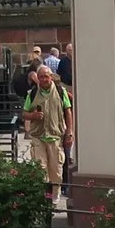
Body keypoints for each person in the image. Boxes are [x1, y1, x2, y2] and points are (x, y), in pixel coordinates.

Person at [23, 62, 71, 213]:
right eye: (41, 77)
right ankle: (44, 198)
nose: (44, 79)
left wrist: (70, 131)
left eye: (47, 76)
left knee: (56, 170)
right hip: (38, 137)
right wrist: (33, 116)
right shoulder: (32, 94)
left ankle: (55, 198)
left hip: (55, 136)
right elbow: (24, 113)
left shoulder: (60, 91)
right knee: (40, 169)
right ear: (37, 78)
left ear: (51, 77)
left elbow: (68, 111)